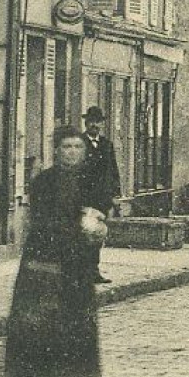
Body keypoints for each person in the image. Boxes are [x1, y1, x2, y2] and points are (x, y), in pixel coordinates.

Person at [0, 127, 113, 377]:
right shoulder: (44, 182)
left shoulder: (91, 180)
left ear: (84, 151)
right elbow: (43, 218)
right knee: (42, 319)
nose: (72, 152)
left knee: (73, 318)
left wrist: (97, 221)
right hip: (45, 257)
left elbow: (101, 208)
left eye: (77, 147)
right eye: (66, 147)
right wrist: (75, 226)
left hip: (77, 260)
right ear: (57, 151)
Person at [81, 106, 121, 284]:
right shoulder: (79, 144)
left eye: (97, 122)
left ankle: (93, 271)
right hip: (85, 199)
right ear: (86, 123)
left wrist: (114, 194)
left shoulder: (106, 145)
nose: (94, 125)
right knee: (83, 235)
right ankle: (82, 272)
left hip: (102, 200)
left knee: (97, 236)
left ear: (101, 124)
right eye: (91, 122)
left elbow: (113, 171)